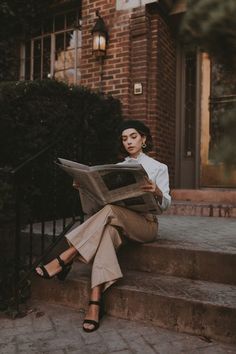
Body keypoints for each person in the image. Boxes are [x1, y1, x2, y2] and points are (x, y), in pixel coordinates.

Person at [35, 119, 171, 332]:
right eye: (124, 138)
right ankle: (95, 302)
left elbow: (165, 207)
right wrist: (84, 188)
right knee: (105, 231)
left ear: (143, 139)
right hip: (115, 222)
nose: (129, 142)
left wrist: (158, 192)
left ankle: (67, 256)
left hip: (145, 225)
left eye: (133, 136)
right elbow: (92, 210)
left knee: (110, 212)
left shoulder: (158, 167)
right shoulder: (116, 169)